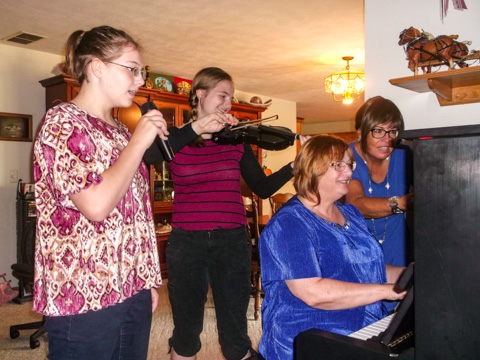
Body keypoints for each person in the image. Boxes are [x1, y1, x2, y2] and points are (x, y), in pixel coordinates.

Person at [33, 26, 237, 360]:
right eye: (131, 69)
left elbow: (136, 215)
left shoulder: (119, 131)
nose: (139, 80)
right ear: (97, 67)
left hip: (129, 291)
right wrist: (140, 142)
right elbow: (97, 205)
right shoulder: (63, 122)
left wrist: (144, 280)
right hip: (82, 294)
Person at [144, 67, 306, 360]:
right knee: (185, 333)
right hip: (186, 244)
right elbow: (152, 156)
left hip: (231, 243)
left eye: (230, 97)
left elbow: (263, 187)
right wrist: (199, 127)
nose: (228, 104)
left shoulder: (235, 139)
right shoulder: (174, 137)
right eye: (222, 95)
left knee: (235, 334)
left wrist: (295, 166)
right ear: (200, 94)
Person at [258, 135, 408, 360]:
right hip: (311, 339)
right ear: (312, 168)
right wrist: (388, 291)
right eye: (338, 165)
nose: (349, 173)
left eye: (350, 165)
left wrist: (409, 276)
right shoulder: (289, 223)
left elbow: (369, 266)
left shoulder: (351, 214)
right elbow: (313, 292)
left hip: (362, 327)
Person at [346, 96, 413, 312]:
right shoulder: (346, 156)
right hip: (359, 256)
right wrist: (402, 202)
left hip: (398, 250)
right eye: (378, 131)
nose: (386, 139)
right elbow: (356, 204)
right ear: (360, 132)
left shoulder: (406, 156)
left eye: (393, 131)